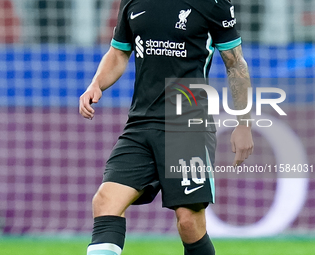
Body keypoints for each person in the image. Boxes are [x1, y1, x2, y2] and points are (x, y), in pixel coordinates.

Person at [79, 0, 254, 254]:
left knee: (188, 221)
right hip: (140, 124)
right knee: (105, 200)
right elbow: (118, 52)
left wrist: (244, 124)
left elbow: (235, 63)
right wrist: (96, 84)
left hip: (187, 124)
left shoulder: (213, 4)